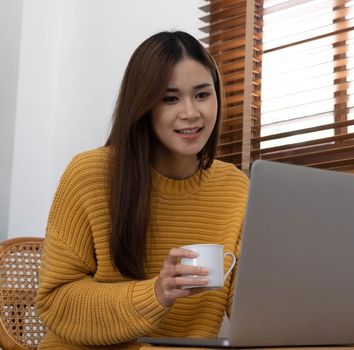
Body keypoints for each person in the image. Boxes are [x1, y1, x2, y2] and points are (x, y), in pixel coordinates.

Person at [35, 31, 249, 349]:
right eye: (170, 98)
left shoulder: (234, 187)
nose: (191, 112)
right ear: (143, 105)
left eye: (202, 95)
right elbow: (55, 303)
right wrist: (157, 293)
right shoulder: (89, 174)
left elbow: (249, 308)